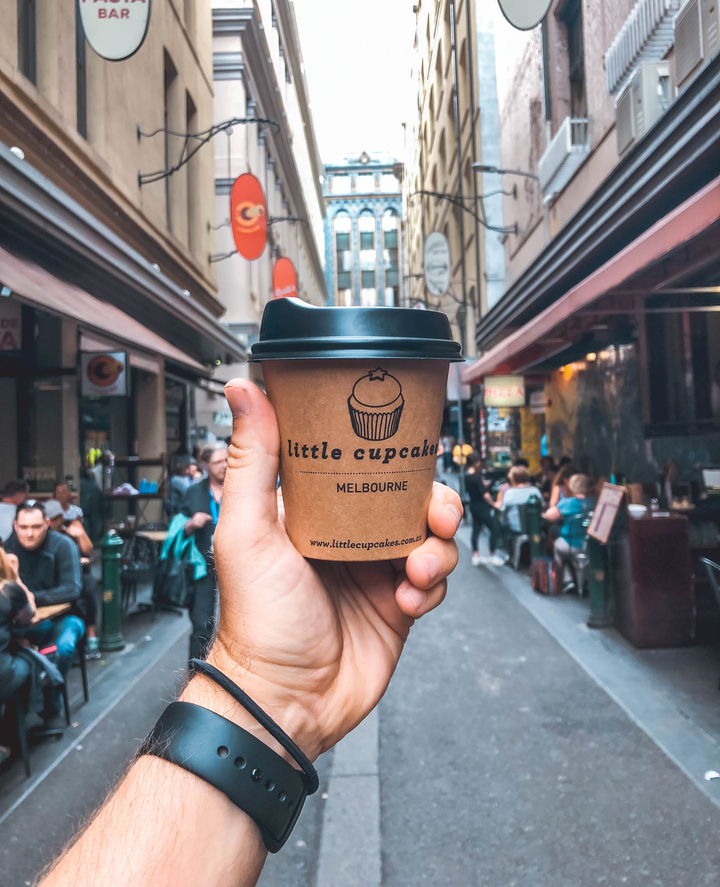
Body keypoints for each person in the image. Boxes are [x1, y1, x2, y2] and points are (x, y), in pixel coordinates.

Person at [35, 378, 461, 887]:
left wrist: (266, 694)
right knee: (202, 622)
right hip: (207, 580)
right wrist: (258, 684)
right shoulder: (199, 492)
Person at [5, 500, 84, 722]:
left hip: (65, 617)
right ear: (14, 525)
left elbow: (72, 590)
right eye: (24, 527)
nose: (29, 533)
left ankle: (50, 705)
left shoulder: (63, 545)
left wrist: (28, 597)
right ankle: (15, 716)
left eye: (36, 527)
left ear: (47, 523)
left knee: (62, 648)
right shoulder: (8, 550)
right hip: (23, 624)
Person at [181, 446, 228, 661]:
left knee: (237, 622)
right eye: (218, 462)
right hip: (202, 563)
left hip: (234, 562)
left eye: (227, 460)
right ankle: (197, 672)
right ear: (206, 466)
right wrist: (191, 523)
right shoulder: (194, 493)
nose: (225, 466)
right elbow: (177, 528)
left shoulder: (240, 490)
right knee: (201, 621)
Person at [45, 500, 100, 659]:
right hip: (55, 576)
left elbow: (88, 550)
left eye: (56, 518)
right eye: (51, 519)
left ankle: (91, 637)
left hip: (79, 572)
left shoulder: (71, 526)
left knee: (88, 586)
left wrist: (80, 534)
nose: (54, 523)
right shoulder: (43, 535)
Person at [0, 547, 35, 763]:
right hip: (2, 675)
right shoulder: (7, 590)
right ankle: (11, 737)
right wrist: (15, 574)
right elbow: (29, 614)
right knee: (28, 662)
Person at [543, 473, 596, 587]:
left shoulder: (568, 503)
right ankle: (584, 579)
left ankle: (567, 579)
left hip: (570, 544)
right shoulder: (594, 501)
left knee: (557, 545)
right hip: (590, 545)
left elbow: (549, 516)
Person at [464, 453, 498, 567]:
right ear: (475, 462)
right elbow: (485, 495)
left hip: (473, 505)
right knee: (494, 528)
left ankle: (475, 555)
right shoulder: (476, 477)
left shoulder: (467, 476)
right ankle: (492, 554)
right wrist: (494, 504)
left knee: (476, 529)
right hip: (482, 506)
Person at [498, 465, 543, 534]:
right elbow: (542, 506)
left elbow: (503, 512)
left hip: (514, 530)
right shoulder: (535, 491)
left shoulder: (510, 493)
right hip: (535, 529)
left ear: (513, 479)